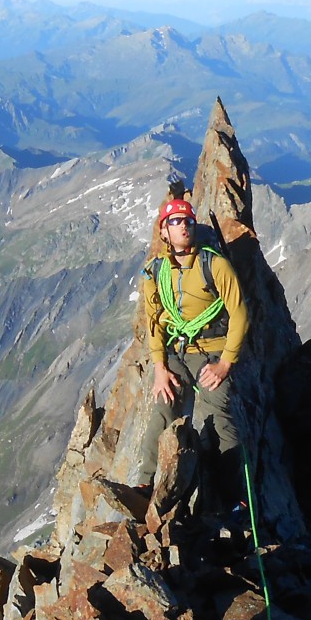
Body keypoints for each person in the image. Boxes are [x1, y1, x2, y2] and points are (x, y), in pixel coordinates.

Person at [131, 183, 249, 505]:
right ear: (164, 232)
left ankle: (233, 496)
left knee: (218, 418)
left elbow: (239, 314)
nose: (183, 225)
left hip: (212, 350)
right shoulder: (156, 274)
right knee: (164, 406)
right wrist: (159, 368)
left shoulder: (214, 265)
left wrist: (224, 364)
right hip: (178, 352)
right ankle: (145, 484)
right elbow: (155, 323)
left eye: (187, 220)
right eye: (175, 221)